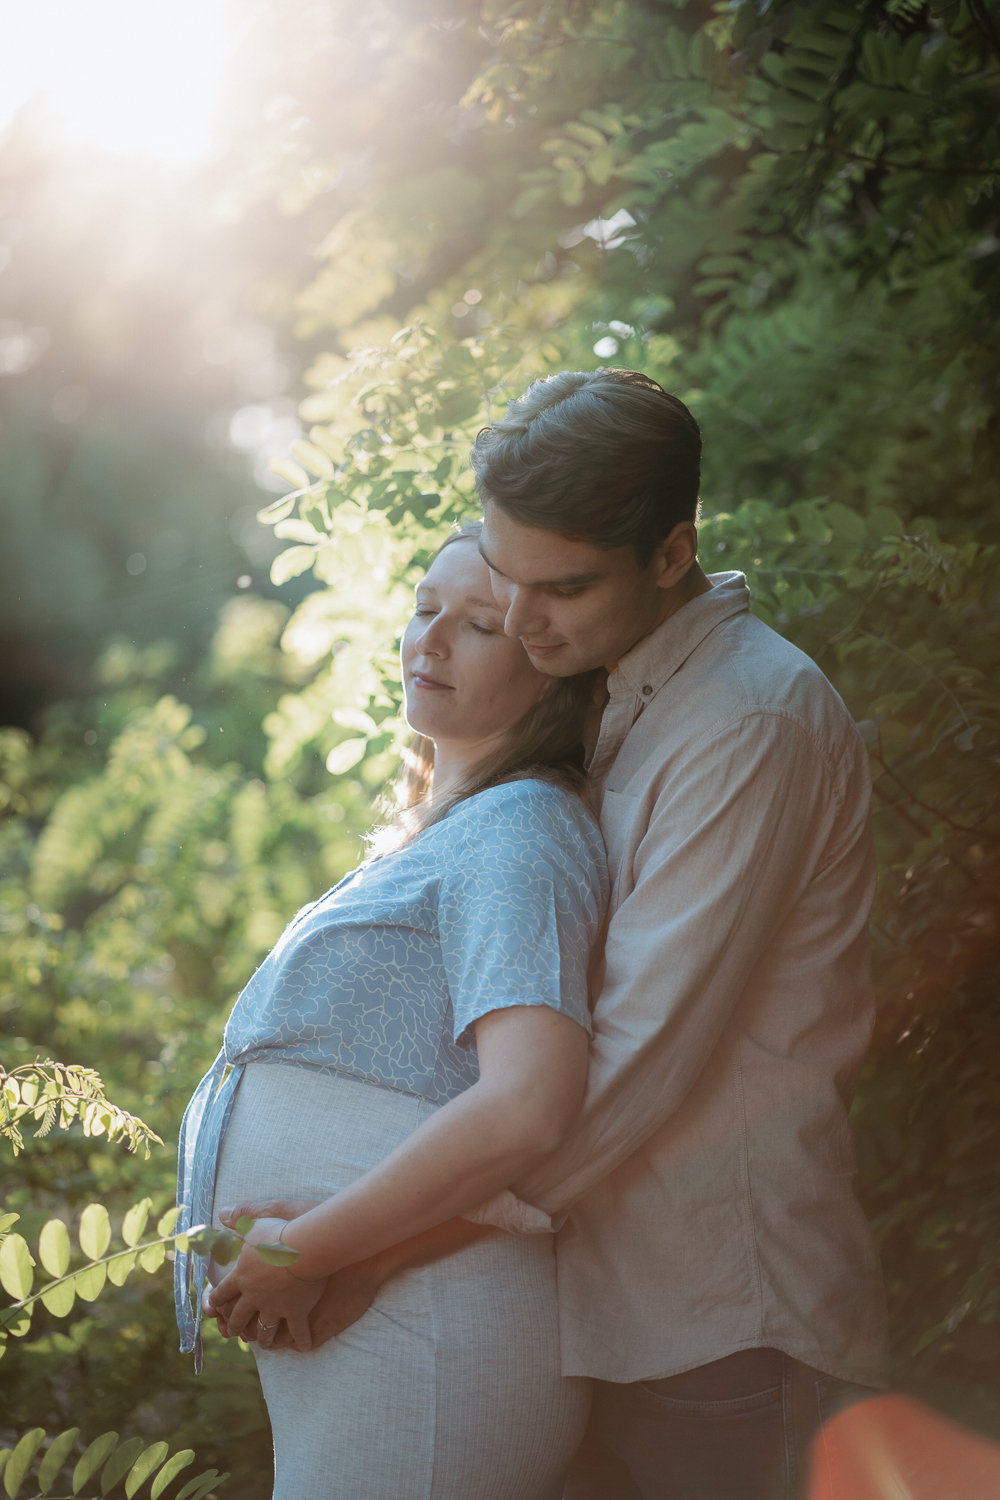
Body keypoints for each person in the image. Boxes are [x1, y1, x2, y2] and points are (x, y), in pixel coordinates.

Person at [227, 369, 889, 1500]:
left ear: (670, 555)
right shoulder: (624, 697)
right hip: (598, 1308)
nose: (525, 625)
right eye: (508, 583)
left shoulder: (744, 721)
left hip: (719, 1319)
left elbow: (634, 1066)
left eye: (562, 590)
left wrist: (358, 1246)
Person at [176, 525, 608, 1500]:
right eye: (423, 611)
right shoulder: (457, 831)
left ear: (550, 667)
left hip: (432, 1328)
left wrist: (305, 1246)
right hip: (387, 1322)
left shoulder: (519, 829)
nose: (430, 641)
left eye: (478, 625)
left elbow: (529, 1105)